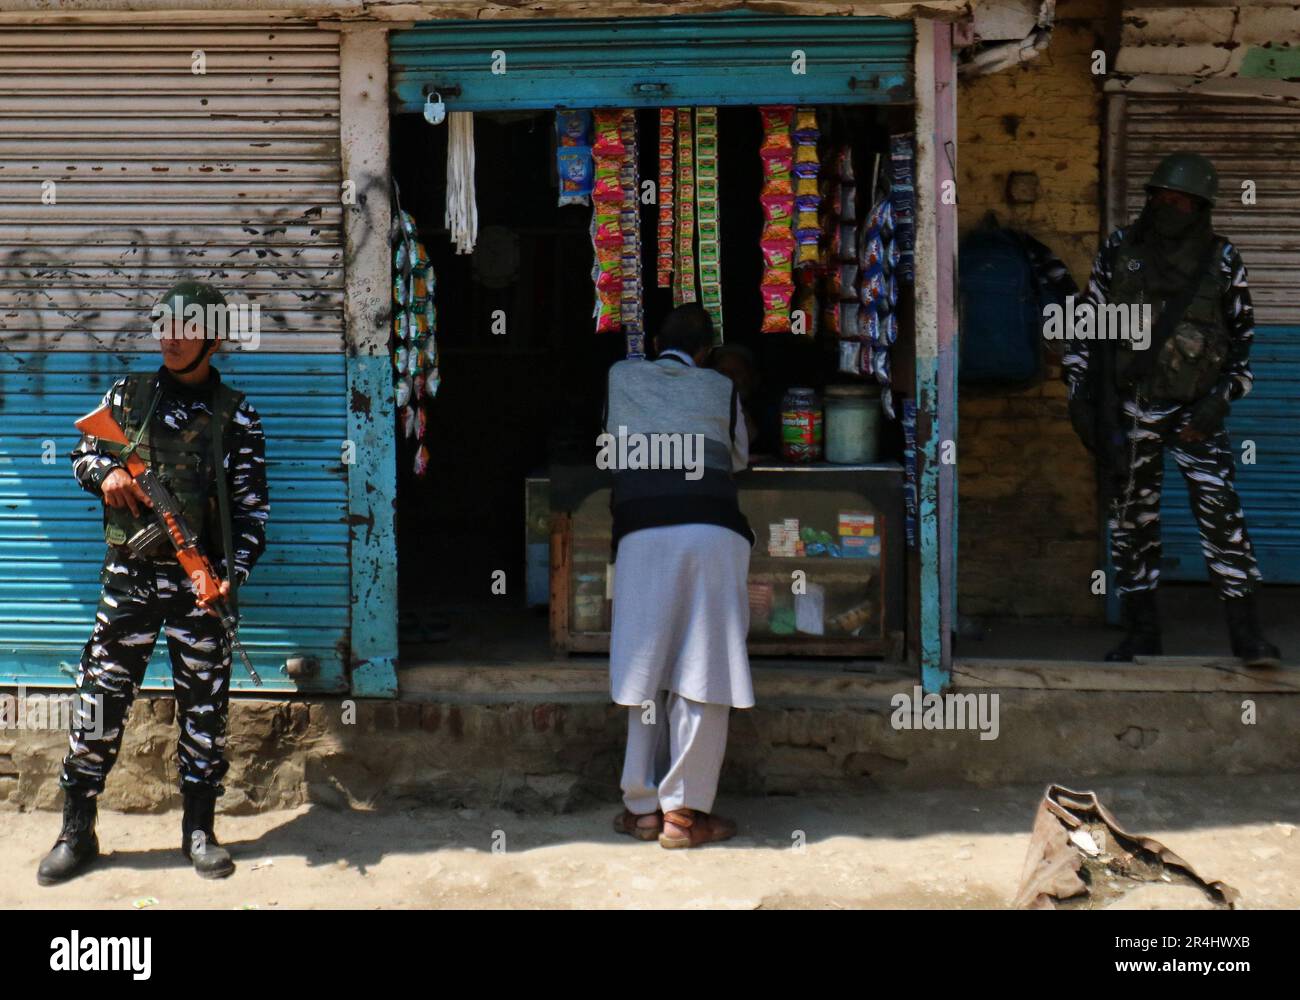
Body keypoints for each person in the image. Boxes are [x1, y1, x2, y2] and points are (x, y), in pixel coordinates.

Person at [38, 281, 270, 885]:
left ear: (212, 339)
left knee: (204, 711)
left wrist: (227, 579)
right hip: (129, 581)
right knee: (99, 700)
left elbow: (252, 517)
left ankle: (199, 830)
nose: (172, 339)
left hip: (200, 590)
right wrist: (108, 474)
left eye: (187, 329)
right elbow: (82, 454)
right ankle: (76, 829)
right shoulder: (128, 395)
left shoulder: (235, 415)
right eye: (166, 326)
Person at [1063, 152, 1281, 667]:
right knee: (1131, 525)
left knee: (1222, 522)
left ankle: (1248, 638)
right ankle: (1142, 634)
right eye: (1159, 198)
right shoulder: (1120, 250)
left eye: (1179, 201)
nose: (1166, 208)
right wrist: (1081, 399)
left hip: (1195, 420)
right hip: (1131, 412)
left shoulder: (1222, 259)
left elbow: (1243, 348)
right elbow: (1087, 328)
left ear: (1201, 208)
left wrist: (1217, 404)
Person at [603, 304, 754, 848]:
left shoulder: (620, 376)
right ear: (707, 352)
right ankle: (684, 817)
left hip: (642, 535)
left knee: (645, 668)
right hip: (713, 536)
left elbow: (612, 444)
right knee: (703, 669)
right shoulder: (720, 386)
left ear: (653, 342)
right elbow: (738, 458)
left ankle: (642, 809)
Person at [709, 342, 762, 448]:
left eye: (737, 372)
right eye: (723, 372)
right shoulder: (703, 408)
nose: (729, 378)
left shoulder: (764, 411)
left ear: (752, 378)